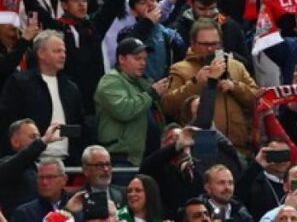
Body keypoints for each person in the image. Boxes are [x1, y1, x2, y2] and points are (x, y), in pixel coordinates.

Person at [161, 20, 259, 155]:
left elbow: (257, 100)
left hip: (239, 149)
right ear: (193, 44)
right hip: (200, 148)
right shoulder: (180, 69)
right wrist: (197, 82)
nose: (210, 49)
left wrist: (235, 87)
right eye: (205, 44)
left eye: (215, 44)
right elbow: (167, 105)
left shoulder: (236, 66)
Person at [0, 30, 84, 163]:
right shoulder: (20, 83)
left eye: (64, 52)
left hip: (67, 163)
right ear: (41, 53)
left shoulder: (71, 88)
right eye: (57, 51)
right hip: (29, 162)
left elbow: (79, 125)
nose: (63, 55)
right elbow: (7, 122)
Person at [94, 37, 170, 167]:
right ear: (121, 59)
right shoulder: (111, 81)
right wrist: (151, 93)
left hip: (145, 157)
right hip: (121, 157)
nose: (143, 63)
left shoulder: (142, 82)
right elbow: (124, 110)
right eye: (137, 58)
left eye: (144, 59)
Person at [0, 120, 63, 215]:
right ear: (15, 141)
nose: (37, 140)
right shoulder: (7, 165)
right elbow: (22, 159)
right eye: (33, 137)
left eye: (38, 137)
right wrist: (43, 140)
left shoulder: (37, 167)